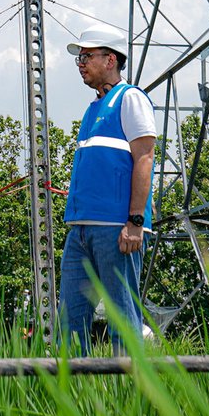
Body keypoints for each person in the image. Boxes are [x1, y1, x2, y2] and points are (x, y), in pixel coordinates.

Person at [59, 25, 156, 353]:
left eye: (86, 56)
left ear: (110, 59)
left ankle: (128, 395)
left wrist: (135, 221)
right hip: (80, 230)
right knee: (69, 324)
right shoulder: (92, 110)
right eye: (80, 58)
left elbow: (145, 158)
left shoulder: (130, 99)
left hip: (117, 230)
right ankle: (73, 396)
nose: (81, 64)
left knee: (121, 319)